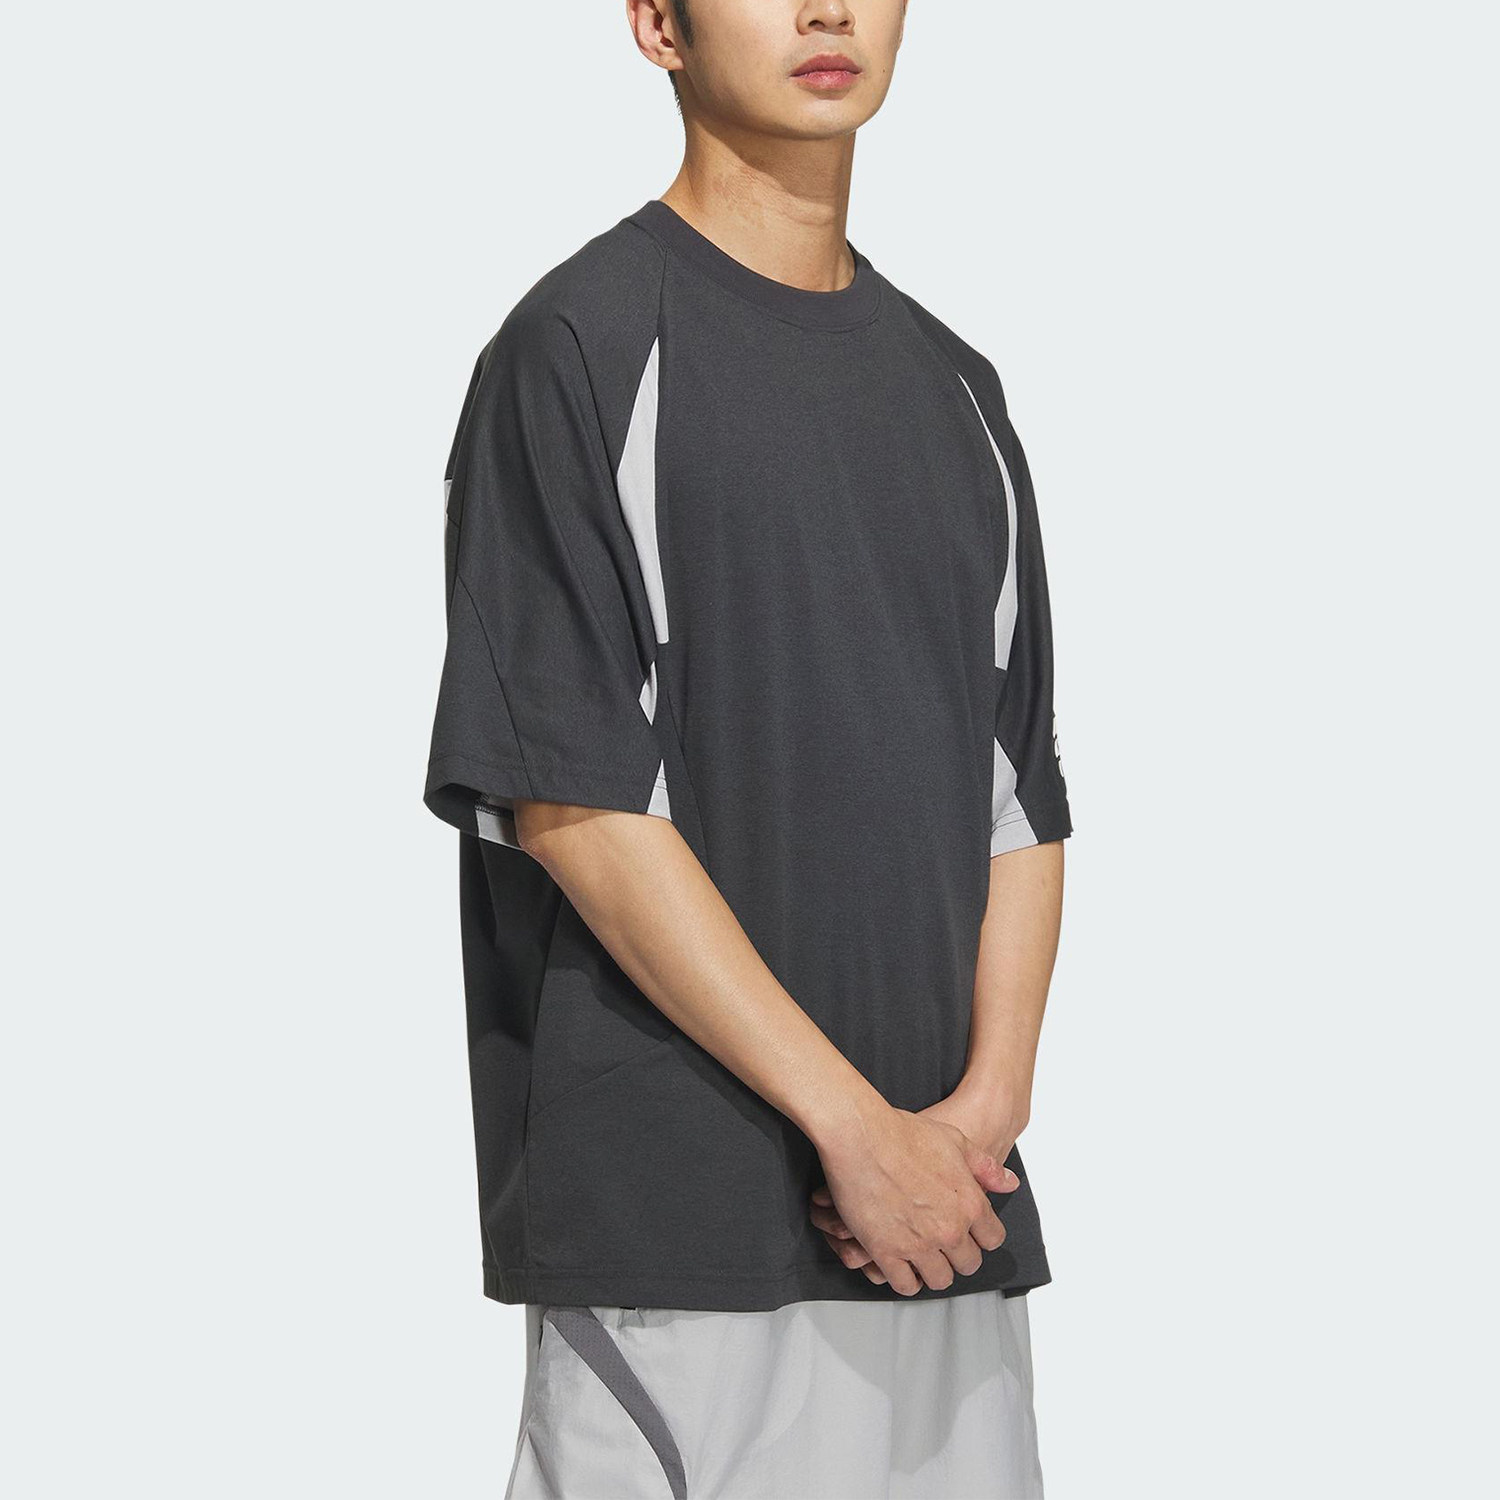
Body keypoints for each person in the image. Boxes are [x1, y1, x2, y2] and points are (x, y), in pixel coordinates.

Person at [422, 2, 1073, 1494]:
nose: (827, 9)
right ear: (659, 23)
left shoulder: (957, 387)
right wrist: (853, 1131)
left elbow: (1019, 792)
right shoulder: (579, 347)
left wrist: (976, 1121)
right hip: (686, 1226)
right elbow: (574, 796)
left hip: (941, 1223)